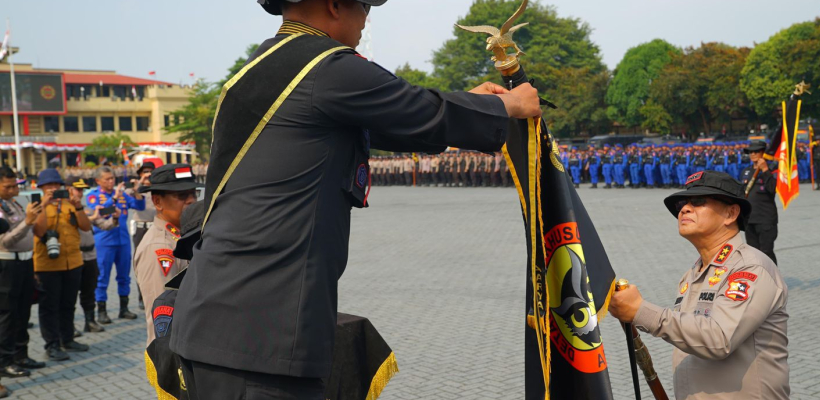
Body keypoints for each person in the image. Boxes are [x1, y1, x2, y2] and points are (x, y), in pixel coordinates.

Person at [170, 0, 542, 397]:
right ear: (334, 5)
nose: (367, 18)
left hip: (219, 320)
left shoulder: (262, 67)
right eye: (364, 5)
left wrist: (476, 103)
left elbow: (398, 119)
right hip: (261, 336)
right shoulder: (328, 66)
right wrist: (508, 104)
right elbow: (417, 110)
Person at [608, 170, 789, 400]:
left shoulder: (750, 268)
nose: (684, 209)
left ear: (731, 213)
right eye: (683, 203)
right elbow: (688, 335)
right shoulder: (692, 275)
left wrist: (641, 311)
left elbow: (718, 339)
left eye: (699, 202)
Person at [134, 164, 199, 346]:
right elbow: (163, 315)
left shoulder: (180, 236)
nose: (191, 201)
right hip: (172, 351)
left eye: (193, 194)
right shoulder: (159, 248)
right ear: (157, 202)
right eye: (181, 196)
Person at [32, 169, 92, 361]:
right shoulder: (36, 207)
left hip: (73, 262)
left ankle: (67, 339)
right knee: (49, 307)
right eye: (49, 185)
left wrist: (79, 206)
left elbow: (86, 227)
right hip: (48, 265)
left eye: (56, 184)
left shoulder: (69, 204)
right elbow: (39, 231)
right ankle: (52, 345)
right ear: (41, 187)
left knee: (68, 303)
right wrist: (44, 205)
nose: (53, 188)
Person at [0, 167, 44, 386]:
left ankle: (21, 355)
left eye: (15, 185)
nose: (13, 189)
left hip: (26, 262)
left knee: (23, 312)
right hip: (7, 264)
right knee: (8, 314)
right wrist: (27, 222)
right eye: (7, 186)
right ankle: (5, 361)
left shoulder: (15, 203)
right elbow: (6, 241)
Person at [86, 166, 145, 323]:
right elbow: (99, 214)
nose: (111, 181)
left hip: (123, 241)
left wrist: (137, 191)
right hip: (104, 241)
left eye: (112, 178)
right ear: (98, 181)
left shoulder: (122, 195)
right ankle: (102, 310)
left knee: (124, 276)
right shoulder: (94, 196)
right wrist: (114, 200)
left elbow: (140, 206)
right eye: (107, 179)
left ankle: (123, 308)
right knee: (102, 276)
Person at [69, 177, 117, 336]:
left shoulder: (86, 209)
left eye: (82, 190)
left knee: (89, 290)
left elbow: (104, 225)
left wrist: (114, 217)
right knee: (70, 293)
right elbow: (77, 223)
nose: (80, 193)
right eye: (77, 189)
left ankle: (89, 321)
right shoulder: (65, 210)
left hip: (90, 255)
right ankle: (68, 326)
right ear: (69, 189)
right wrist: (92, 217)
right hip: (73, 256)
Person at [739, 141, 778, 264]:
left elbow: (772, 189)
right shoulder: (746, 171)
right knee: (753, 253)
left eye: (756, 151)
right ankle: (759, 281)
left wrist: (765, 170)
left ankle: (773, 280)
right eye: (751, 152)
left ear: (763, 153)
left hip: (765, 220)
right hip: (750, 220)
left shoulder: (772, 170)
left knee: (766, 252)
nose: (753, 154)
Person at [129, 161, 158, 310]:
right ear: (139, 174)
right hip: (140, 228)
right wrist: (139, 184)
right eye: (144, 172)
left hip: (156, 227)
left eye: (150, 171)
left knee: (157, 263)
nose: (147, 174)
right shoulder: (135, 187)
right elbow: (129, 197)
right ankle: (142, 296)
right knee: (141, 264)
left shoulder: (158, 188)